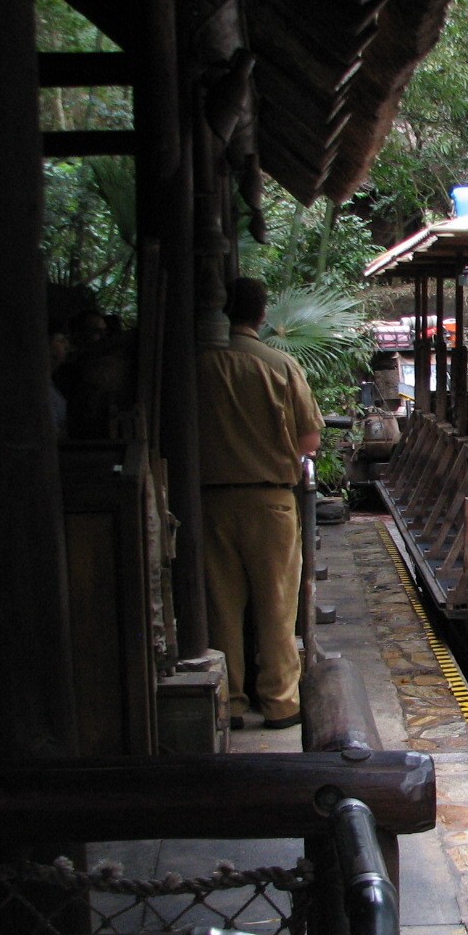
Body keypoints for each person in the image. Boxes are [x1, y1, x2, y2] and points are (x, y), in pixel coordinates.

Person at [199, 277, 323, 730]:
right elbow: (309, 439)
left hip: (208, 502)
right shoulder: (279, 365)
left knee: (221, 608)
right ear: (262, 314)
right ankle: (280, 703)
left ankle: (226, 703)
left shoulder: (196, 365)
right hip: (270, 502)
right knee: (276, 607)